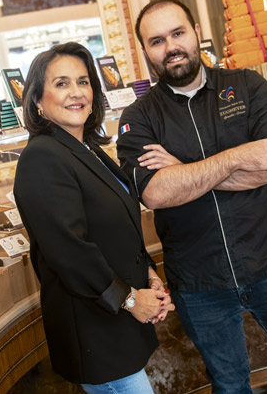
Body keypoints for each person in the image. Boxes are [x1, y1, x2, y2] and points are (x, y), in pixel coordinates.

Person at [116, 0, 267, 394]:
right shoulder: (139, 117)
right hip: (199, 282)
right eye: (157, 41)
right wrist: (239, 156)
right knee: (229, 387)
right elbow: (155, 193)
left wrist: (183, 169)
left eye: (178, 33)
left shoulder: (247, 86)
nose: (171, 47)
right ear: (145, 51)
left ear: (196, 33)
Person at [13, 42, 174, 393]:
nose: (76, 92)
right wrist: (130, 299)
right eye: (62, 83)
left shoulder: (88, 149)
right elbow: (70, 251)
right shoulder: (42, 157)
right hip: (94, 329)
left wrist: (147, 274)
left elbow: (117, 227)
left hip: (117, 319)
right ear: (37, 100)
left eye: (83, 82)